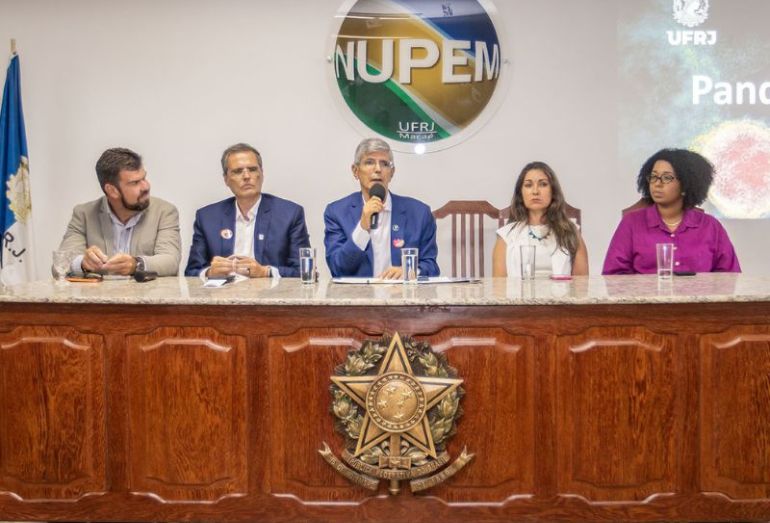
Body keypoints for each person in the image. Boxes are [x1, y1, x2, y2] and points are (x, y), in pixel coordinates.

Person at [603, 148, 740, 274]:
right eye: (654, 177)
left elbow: (730, 277)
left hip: (698, 299)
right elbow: (613, 275)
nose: (657, 183)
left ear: (686, 184)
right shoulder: (631, 223)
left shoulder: (710, 226)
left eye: (667, 177)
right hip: (648, 299)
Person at [185, 143, 310, 279]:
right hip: (221, 296)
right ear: (226, 179)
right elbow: (191, 272)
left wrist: (265, 272)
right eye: (238, 171)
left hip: (270, 296)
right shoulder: (207, 217)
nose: (246, 176)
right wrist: (210, 272)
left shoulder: (289, 214)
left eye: (252, 169)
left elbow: (304, 271)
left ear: (262, 174)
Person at [324, 138, 439, 278]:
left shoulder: (420, 213)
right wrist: (362, 228)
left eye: (384, 164)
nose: (378, 169)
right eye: (369, 162)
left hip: (402, 296)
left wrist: (410, 271)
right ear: (355, 171)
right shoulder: (336, 212)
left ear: (392, 172)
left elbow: (431, 267)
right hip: (358, 297)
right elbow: (337, 269)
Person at [57, 147, 181, 276]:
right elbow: (60, 265)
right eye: (135, 183)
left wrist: (136, 264)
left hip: (148, 295)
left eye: (144, 178)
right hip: (99, 295)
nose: (146, 186)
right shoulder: (84, 214)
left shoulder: (164, 212)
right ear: (112, 190)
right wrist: (83, 263)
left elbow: (170, 261)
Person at [492, 161, 588, 277]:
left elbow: (581, 286)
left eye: (543, 184)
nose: (535, 191)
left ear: (553, 192)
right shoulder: (506, 236)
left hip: (561, 295)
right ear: (520, 193)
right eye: (528, 185)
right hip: (518, 295)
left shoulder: (571, 232)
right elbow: (499, 289)